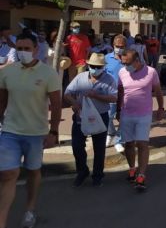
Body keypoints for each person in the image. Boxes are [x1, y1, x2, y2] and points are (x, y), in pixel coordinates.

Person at [0, 33, 62, 228]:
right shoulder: (7, 72)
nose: (22, 52)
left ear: (36, 50)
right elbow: (1, 102)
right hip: (10, 131)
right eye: (19, 48)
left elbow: (56, 104)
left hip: (36, 133)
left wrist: (53, 131)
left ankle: (30, 209)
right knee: (8, 174)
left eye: (27, 49)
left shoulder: (48, 73)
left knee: (33, 172)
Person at [64, 53, 117, 188]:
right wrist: (74, 103)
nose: (95, 69)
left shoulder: (109, 79)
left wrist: (97, 96)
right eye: (93, 66)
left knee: (99, 148)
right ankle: (82, 171)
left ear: (103, 67)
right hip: (81, 116)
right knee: (76, 145)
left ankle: (98, 175)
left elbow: (114, 98)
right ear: (88, 65)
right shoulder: (80, 78)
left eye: (98, 67)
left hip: (100, 116)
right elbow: (67, 93)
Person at [117, 49, 164, 192]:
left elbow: (158, 91)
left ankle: (141, 175)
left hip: (144, 115)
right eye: (123, 63)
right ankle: (132, 169)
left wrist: (161, 107)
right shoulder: (122, 72)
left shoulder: (151, 72)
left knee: (142, 144)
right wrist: (118, 110)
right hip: (126, 114)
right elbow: (120, 91)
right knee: (129, 144)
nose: (125, 66)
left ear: (137, 61)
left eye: (128, 63)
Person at [104, 35, 127, 153]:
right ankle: (111, 133)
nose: (119, 48)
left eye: (121, 47)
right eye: (117, 46)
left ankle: (119, 140)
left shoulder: (129, 58)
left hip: (126, 93)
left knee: (124, 118)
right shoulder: (106, 58)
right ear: (113, 45)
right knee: (108, 116)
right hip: (110, 92)